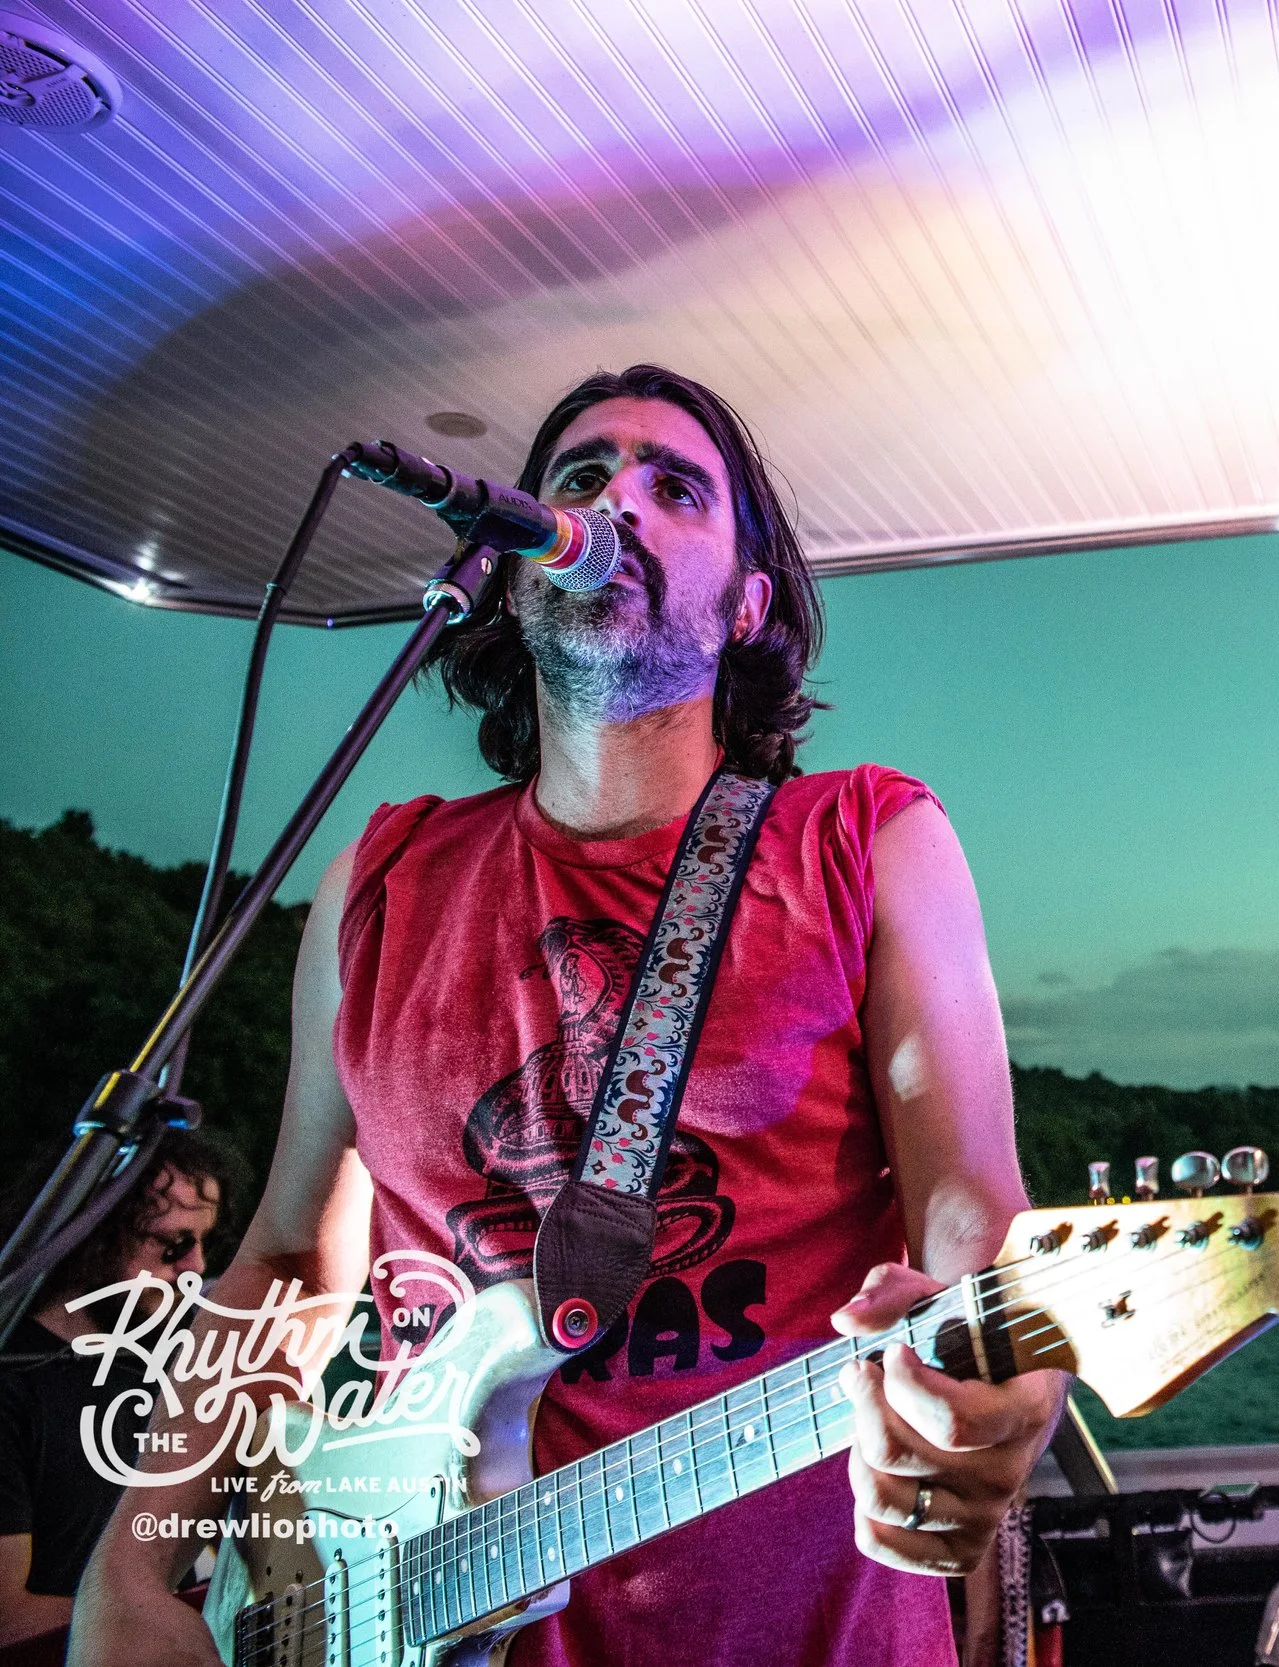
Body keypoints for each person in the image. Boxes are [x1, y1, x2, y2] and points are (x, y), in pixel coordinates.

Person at [72, 365, 1063, 1667]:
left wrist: (1009, 1373)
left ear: (748, 602)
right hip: (411, 1618)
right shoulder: (377, 876)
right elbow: (295, 1259)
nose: (616, 501)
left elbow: (969, 1201)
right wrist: (136, 1563)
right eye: (582, 476)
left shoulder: (865, 838)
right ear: (506, 569)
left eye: (676, 486)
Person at [0, 1131, 241, 1647]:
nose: (196, 1267)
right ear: (96, 1234)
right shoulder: (13, 1384)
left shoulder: (177, 1365)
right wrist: (185, 1622)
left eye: (204, 1242)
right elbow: (7, 1617)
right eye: (173, 1244)